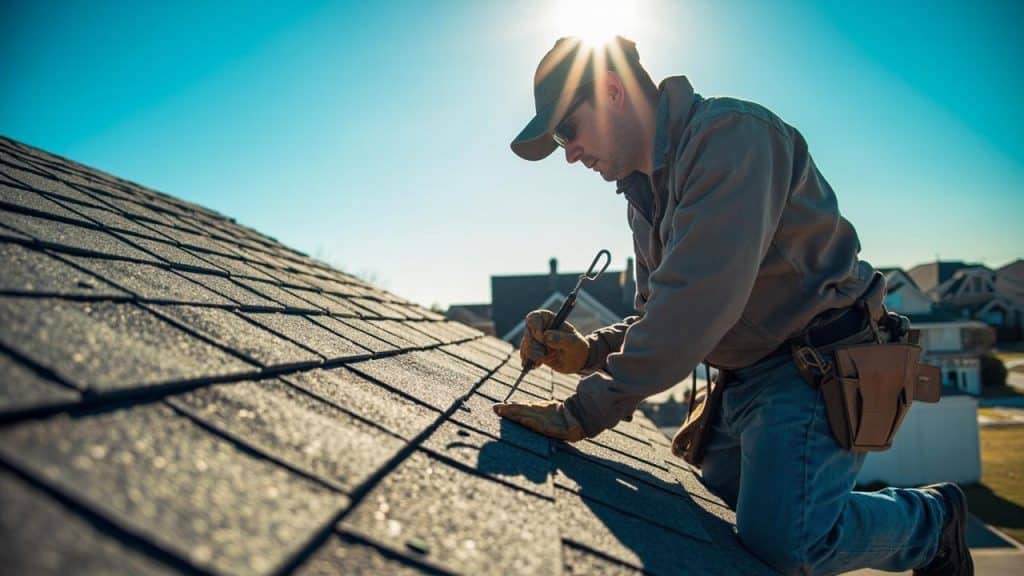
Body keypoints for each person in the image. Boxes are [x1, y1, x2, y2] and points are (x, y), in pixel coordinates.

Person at [494, 36, 972, 576]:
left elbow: (694, 305)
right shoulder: (644, 193)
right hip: (745, 377)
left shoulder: (732, 138)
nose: (569, 152)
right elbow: (658, 311)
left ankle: (931, 523)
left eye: (566, 130)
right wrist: (587, 351)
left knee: (789, 544)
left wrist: (580, 412)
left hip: (813, 366)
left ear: (610, 91)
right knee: (709, 518)